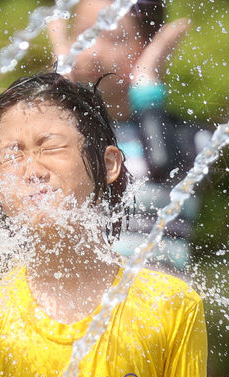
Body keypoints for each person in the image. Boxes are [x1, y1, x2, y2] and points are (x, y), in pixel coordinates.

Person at [0, 72, 222, 377]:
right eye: (12, 154)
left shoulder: (168, 304)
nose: (32, 171)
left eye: (50, 147)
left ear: (109, 163)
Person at [48, 0, 209, 272]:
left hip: (154, 298)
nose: (93, 52)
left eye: (113, 38)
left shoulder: (190, 138)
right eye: (85, 34)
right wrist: (61, 81)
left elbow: (162, 167)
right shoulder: (69, 130)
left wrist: (147, 81)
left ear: (149, 46)